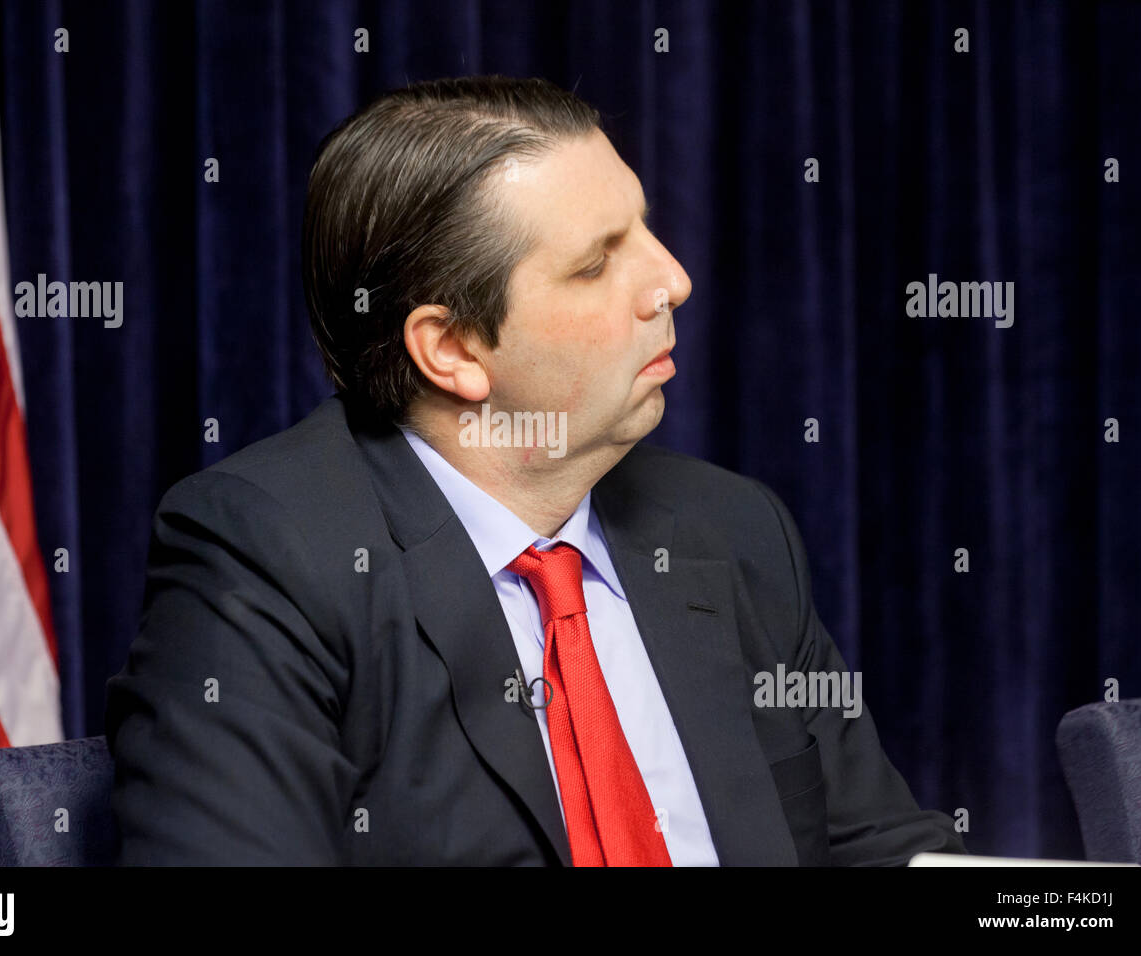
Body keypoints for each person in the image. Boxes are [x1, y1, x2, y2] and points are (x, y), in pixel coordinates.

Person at [105, 75, 965, 866]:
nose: (673, 280)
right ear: (453, 348)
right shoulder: (264, 556)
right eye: (596, 263)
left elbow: (881, 850)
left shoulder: (733, 529)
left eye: (646, 228)